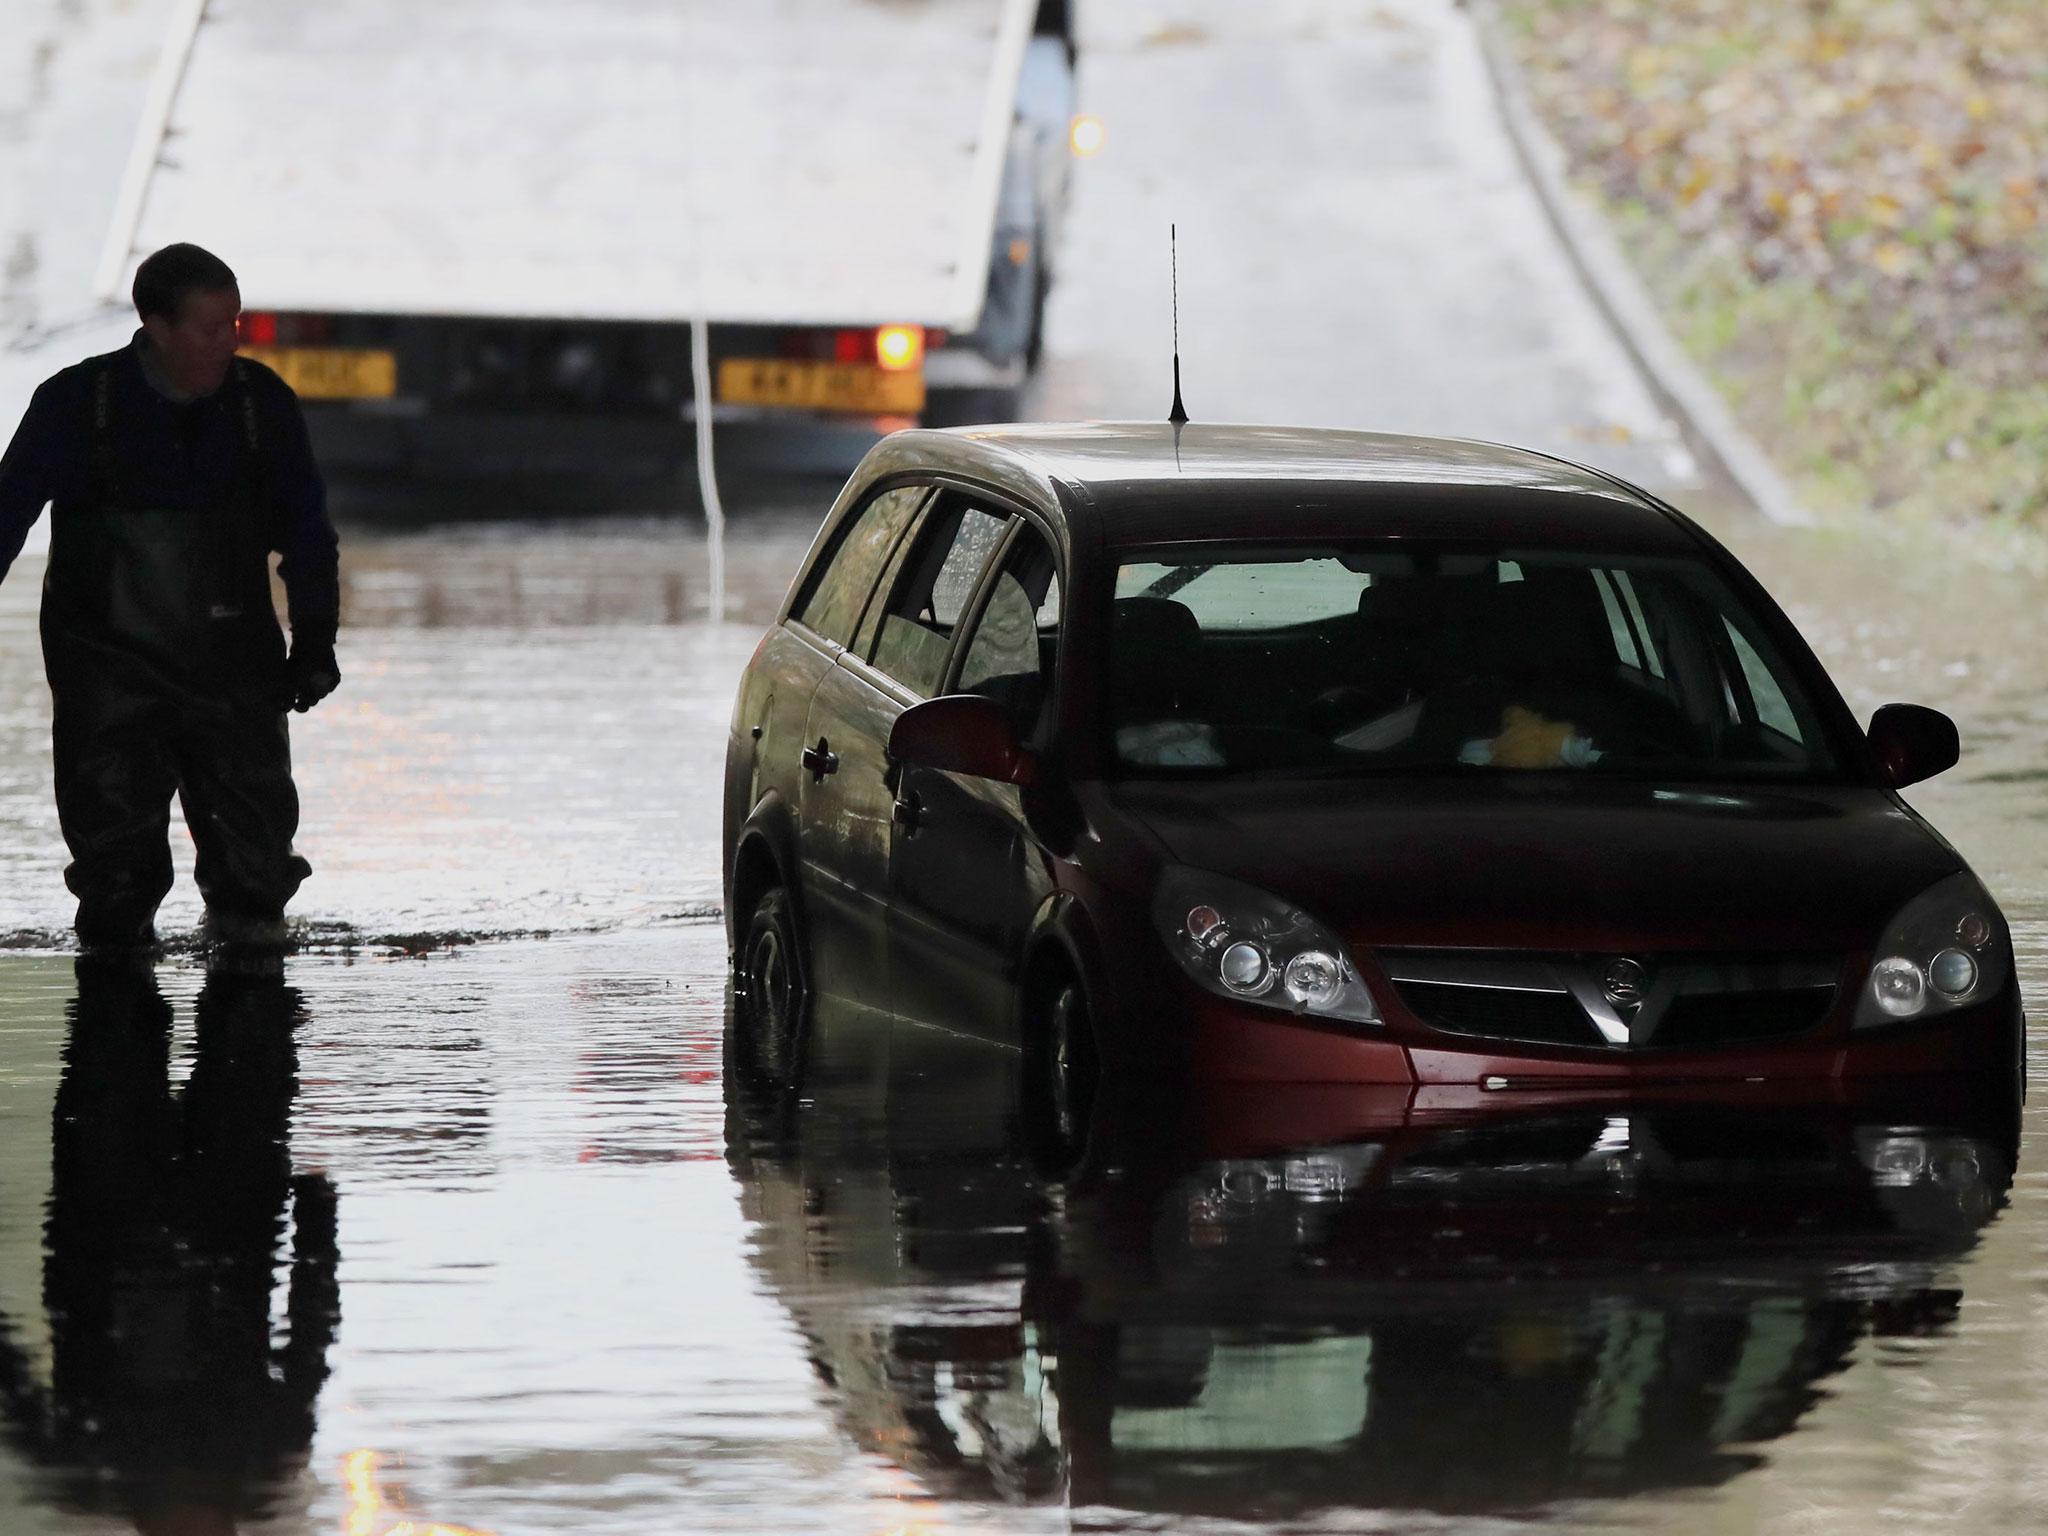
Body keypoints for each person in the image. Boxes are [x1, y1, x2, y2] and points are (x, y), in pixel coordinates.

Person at [0, 243, 340, 953]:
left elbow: (307, 535)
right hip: (107, 679)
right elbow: (5, 518)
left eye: (235, 324)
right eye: (210, 327)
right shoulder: (75, 403)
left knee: (255, 879)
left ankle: (249, 1024)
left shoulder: (261, 406)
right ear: (155, 325)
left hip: (235, 674)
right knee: (115, 883)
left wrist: (315, 641)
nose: (230, 342)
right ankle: (114, 1030)